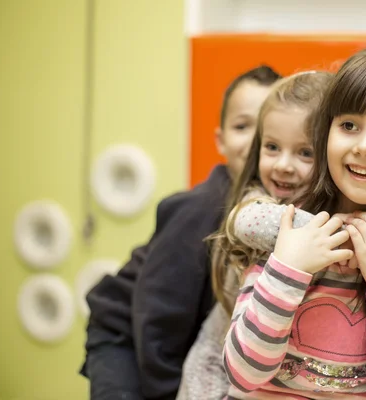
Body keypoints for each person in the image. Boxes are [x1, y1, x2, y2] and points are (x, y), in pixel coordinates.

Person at [223, 45, 366, 399]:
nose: (364, 146)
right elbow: (242, 373)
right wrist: (289, 266)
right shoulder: (288, 228)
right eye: (348, 125)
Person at [81, 65, 281, 400]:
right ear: (221, 139)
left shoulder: (269, 207)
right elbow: (158, 320)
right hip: (125, 336)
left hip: (167, 338)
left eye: (264, 129)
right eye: (241, 126)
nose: (253, 141)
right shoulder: (201, 208)